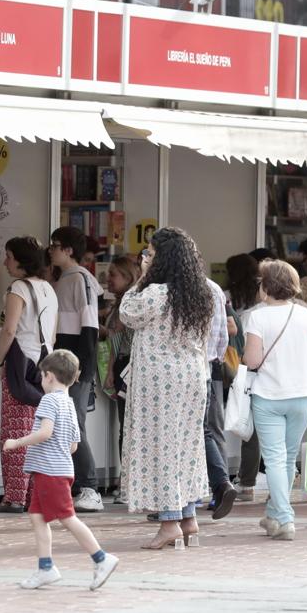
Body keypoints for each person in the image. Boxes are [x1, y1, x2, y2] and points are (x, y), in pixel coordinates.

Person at [120, 228, 213, 549]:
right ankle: (188, 517)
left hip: (159, 381)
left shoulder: (155, 293)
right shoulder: (201, 293)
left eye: (149, 254)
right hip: (192, 377)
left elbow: (126, 312)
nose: (144, 258)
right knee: (185, 446)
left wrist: (141, 278)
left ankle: (170, 521)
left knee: (160, 447)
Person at [3, 350, 119, 590]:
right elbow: (74, 445)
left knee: (67, 518)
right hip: (60, 469)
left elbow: (45, 433)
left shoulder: (49, 401)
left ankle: (101, 558)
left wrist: (17, 442)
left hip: (49, 472)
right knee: (37, 516)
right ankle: (46, 567)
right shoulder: (69, 403)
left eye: (42, 377)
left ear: (49, 376)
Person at [244, 260, 307, 541]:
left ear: (266, 286)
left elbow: (252, 361)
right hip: (302, 396)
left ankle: (286, 517)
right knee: (288, 458)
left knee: (276, 459)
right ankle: (275, 515)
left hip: (268, 396)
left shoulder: (257, 317)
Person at [0, 236, 57, 513]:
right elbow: (52, 333)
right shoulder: (49, 290)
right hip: (43, 363)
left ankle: (14, 496)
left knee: (14, 430)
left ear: (20, 260)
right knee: (36, 431)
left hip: (20, 363)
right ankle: (32, 495)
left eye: (8, 256)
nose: (5, 261)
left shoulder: (18, 287)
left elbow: (10, 329)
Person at [48, 226, 103, 512]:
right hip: (64, 359)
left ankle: (89, 486)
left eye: (55, 245)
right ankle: (72, 484)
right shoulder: (63, 279)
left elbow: (89, 325)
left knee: (74, 424)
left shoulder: (81, 279)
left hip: (76, 363)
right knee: (65, 423)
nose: (51, 250)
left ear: (69, 250)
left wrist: (82, 364)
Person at [101, 254, 141, 505]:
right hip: (128, 366)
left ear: (127, 278)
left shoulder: (128, 303)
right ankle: (127, 481)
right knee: (127, 426)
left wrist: (110, 370)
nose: (108, 280)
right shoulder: (122, 302)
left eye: (113, 275)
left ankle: (126, 483)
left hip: (126, 366)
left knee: (127, 426)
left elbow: (118, 340)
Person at [226, 253, 262, 501]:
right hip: (269, 374)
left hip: (239, 367)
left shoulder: (230, 298)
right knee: (261, 432)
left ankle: (246, 481)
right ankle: (253, 480)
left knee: (247, 426)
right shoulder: (262, 307)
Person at [204, 275, 240, 519]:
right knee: (209, 430)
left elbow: (231, 327)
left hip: (204, 370)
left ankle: (220, 485)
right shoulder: (215, 288)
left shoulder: (198, 288)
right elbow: (228, 330)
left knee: (207, 430)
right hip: (210, 367)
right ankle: (221, 486)